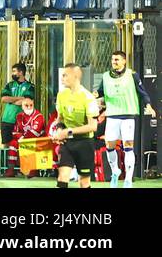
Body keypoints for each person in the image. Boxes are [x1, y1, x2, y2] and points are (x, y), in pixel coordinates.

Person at [96, 49, 156, 188]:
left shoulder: (132, 75)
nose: (114, 62)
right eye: (112, 59)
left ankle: (128, 179)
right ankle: (115, 172)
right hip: (112, 116)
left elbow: (143, 93)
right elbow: (100, 92)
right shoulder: (105, 76)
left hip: (128, 116)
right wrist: (93, 96)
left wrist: (148, 105)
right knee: (109, 146)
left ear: (124, 61)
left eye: (116, 59)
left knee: (128, 147)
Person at [51, 63, 100, 189]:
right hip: (67, 143)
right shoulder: (61, 95)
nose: (62, 78)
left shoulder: (87, 97)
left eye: (65, 75)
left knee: (84, 182)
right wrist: (59, 130)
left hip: (84, 143)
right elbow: (60, 119)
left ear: (76, 76)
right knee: (62, 177)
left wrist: (68, 131)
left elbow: (93, 126)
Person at [6, 97, 46, 179]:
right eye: (26, 105)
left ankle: (33, 170)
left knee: (31, 143)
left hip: (37, 141)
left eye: (31, 105)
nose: (29, 107)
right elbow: (15, 132)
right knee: (13, 143)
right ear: (22, 106)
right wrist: (21, 137)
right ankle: (11, 170)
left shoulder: (39, 116)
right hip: (23, 140)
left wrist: (23, 138)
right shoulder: (19, 116)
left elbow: (35, 132)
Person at [0, 62, 36, 149]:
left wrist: (11, 100)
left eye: (14, 71)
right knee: (6, 145)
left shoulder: (30, 86)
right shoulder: (10, 85)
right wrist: (19, 99)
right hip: (7, 119)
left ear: (21, 72)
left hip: (21, 121)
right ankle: (6, 162)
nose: (12, 74)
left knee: (20, 145)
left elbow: (26, 100)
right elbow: (3, 99)